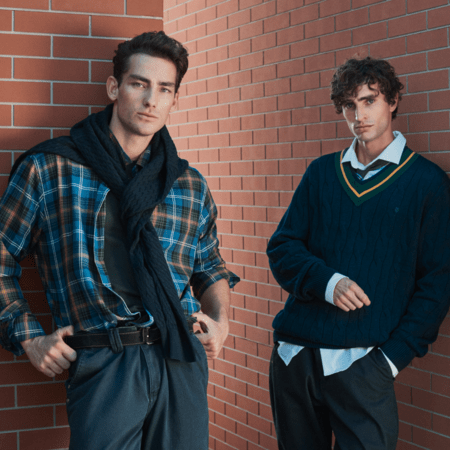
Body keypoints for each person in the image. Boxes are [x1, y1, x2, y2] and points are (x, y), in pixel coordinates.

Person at [0, 31, 238, 450]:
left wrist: (221, 322)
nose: (151, 100)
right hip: (104, 361)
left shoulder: (187, 184)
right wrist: (30, 339)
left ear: (174, 99)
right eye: (139, 84)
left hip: (180, 357)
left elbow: (209, 265)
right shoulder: (51, 169)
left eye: (164, 89)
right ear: (114, 87)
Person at [267, 56, 450, 449]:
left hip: (365, 365)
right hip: (296, 357)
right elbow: (282, 248)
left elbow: (437, 284)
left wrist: (390, 360)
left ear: (393, 101)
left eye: (369, 101)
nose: (359, 115)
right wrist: (327, 282)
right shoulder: (321, 173)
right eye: (349, 105)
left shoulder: (428, 183)